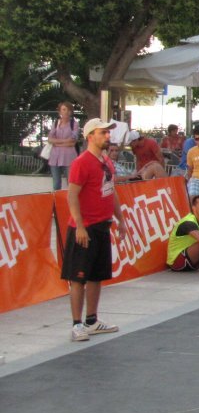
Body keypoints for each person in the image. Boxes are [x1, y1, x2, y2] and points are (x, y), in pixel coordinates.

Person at [61, 118, 129, 342]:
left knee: (96, 276)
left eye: (108, 132)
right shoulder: (82, 163)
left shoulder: (106, 161)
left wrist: (120, 219)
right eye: (103, 132)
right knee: (78, 277)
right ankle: (76, 323)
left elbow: (112, 191)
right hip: (86, 227)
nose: (108, 136)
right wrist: (79, 225)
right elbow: (72, 195)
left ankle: (92, 319)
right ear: (91, 136)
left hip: (102, 225)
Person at [47, 101, 80, 190]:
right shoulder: (56, 123)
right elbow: (50, 139)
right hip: (55, 157)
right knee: (56, 184)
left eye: (68, 110)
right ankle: (57, 202)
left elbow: (72, 142)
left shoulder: (74, 124)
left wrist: (56, 142)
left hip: (69, 157)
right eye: (64, 109)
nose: (66, 112)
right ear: (60, 111)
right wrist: (65, 141)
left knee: (71, 182)